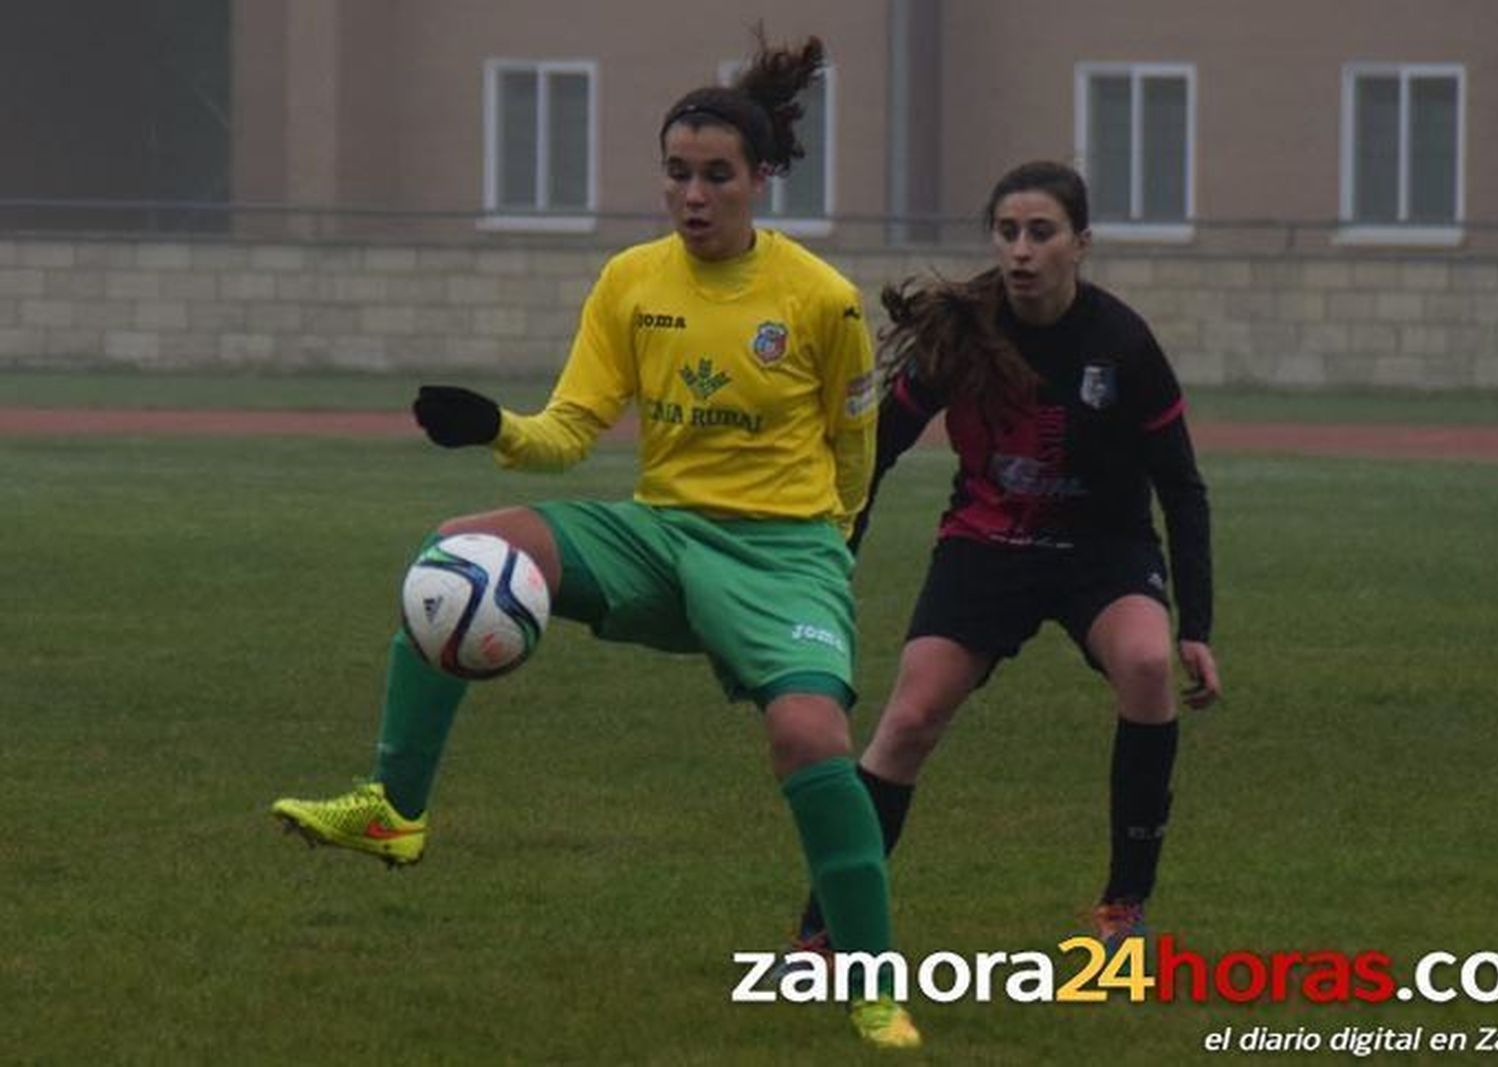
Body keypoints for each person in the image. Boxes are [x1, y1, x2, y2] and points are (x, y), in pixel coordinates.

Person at [270, 31, 919, 1051]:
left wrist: (829, 540)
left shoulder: (818, 298)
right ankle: (395, 809)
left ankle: (874, 982)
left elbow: (854, 438)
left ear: (760, 180)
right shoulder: (630, 281)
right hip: (657, 535)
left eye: (715, 176)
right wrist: (493, 428)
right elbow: (569, 431)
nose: (693, 194)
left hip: (782, 552)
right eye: (677, 173)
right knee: (463, 552)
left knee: (808, 737)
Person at [789, 160, 1220, 957]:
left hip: (1103, 549)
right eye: (1008, 232)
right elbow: (873, 450)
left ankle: (1124, 909)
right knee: (909, 719)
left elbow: (1181, 487)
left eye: (1042, 232)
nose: (1021, 249)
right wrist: (832, 558)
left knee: (1149, 664)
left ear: (1080, 244)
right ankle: (823, 930)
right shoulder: (966, 331)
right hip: (987, 545)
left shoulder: (1122, 342)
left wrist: (1196, 622)